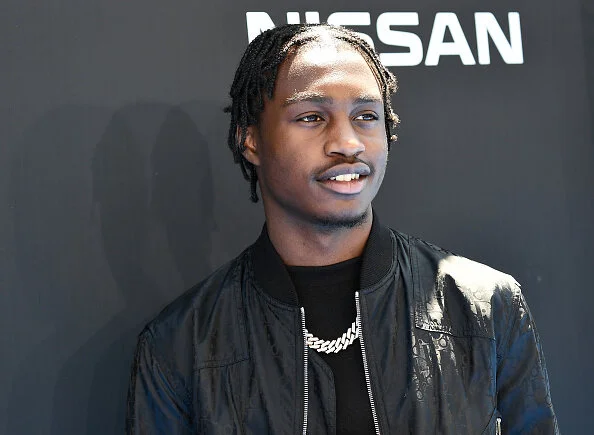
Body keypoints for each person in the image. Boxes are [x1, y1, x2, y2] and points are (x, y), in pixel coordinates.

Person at [126, 23, 558, 434]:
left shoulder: (486, 307)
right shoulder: (182, 344)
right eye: (312, 117)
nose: (348, 144)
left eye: (366, 115)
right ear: (250, 140)